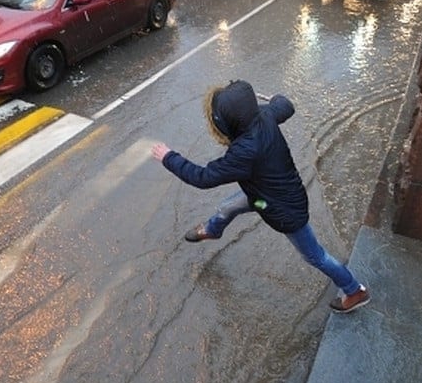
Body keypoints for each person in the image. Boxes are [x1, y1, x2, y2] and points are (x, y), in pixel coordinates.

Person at [150, 80, 370, 313]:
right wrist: (269, 98)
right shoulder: (264, 116)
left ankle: (354, 290)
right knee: (229, 206)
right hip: (262, 197)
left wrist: (168, 157)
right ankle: (213, 231)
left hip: (284, 211)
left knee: (315, 256)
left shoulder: (244, 152)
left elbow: (203, 177)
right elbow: (286, 105)